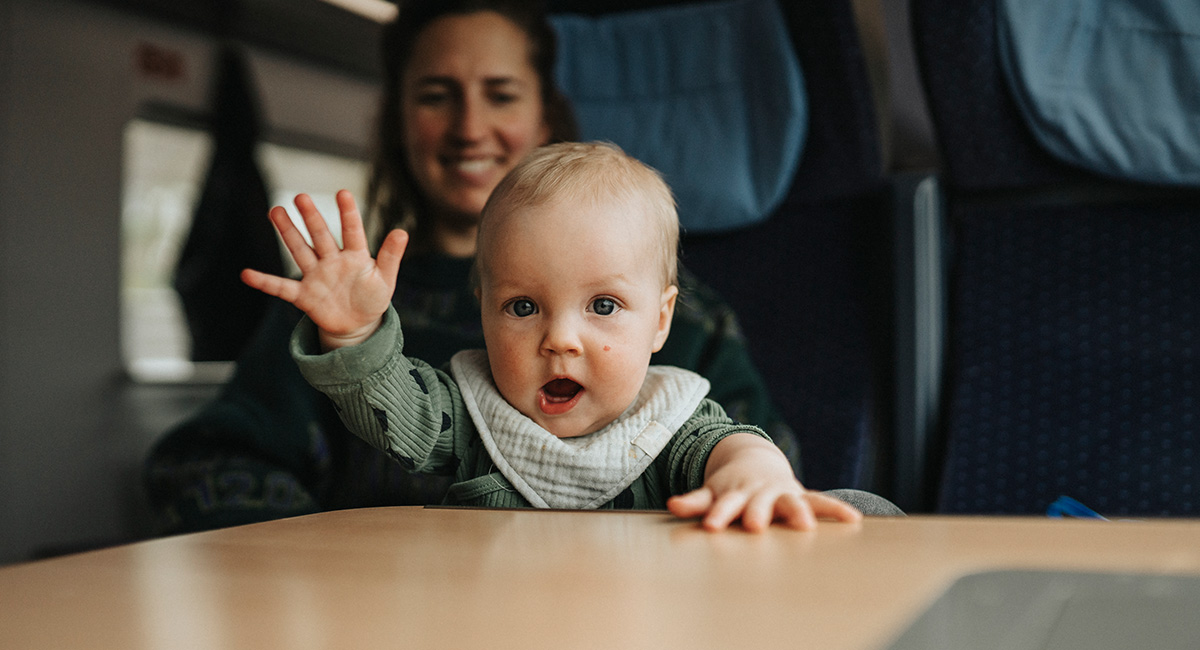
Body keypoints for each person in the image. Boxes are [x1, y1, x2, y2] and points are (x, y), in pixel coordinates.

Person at [142, 0, 801, 534]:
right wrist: (324, 575)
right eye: (436, 95)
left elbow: (754, 461)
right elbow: (208, 465)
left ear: (544, 114)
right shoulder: (341, 310)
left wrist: (745, 473)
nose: (469, 126)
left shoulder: (691, 332)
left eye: (501, 94)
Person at [243, 142, 861, 530]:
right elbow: (396, 410)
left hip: (633, 625)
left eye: (603, 305)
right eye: (522, 307)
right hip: (499, 622)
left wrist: (755, 472)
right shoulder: (472, 419)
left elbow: (728, 446)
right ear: (482, 313)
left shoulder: (669, 425)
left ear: (661, 320)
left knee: (865, 508)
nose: (560, 339)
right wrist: (355, 334)